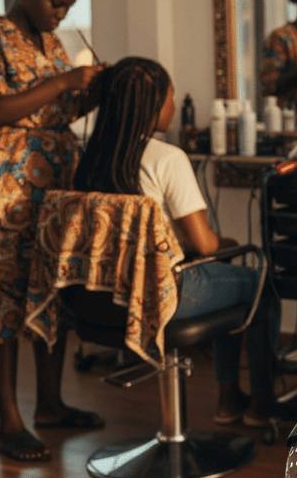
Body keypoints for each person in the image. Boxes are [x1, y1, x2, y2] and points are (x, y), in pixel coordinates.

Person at [74, 57, 281, 427]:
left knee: (222, 273)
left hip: (100, 299)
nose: (173, 105)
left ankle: (231, 399)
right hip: (161, 296)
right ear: (153, 104)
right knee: (260, 281)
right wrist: (227, 241)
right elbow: (203, 245)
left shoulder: (88, 159)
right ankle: (254, 403)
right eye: (170, 96)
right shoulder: (167, 159)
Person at [0, 0, 106, 462]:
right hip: (6, 184)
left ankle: (50, 404)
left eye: (68, 7)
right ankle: (10, 422)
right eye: (56, 3)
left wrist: (93, 90)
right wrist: (65, 81)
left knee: (51, 290)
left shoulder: (52, 44)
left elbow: (63, 108)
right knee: (0, 298)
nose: (61, 14)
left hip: (54, 182)